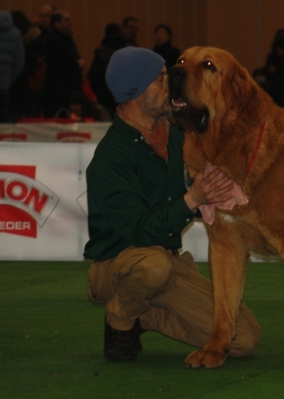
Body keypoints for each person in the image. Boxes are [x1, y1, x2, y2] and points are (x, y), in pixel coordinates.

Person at [84, 47, 261, 362]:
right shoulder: (110, 158)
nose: (172, 84)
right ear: (137, 92)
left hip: (167, 264)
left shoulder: (178, 134)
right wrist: (193, 199)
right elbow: (140, 231)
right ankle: (120, 318)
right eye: (162, 78)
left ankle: (144, 314)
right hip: (117, 267)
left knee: (243, 339)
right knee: (153, 265)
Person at [42, 10, 84, 117]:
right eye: (67, 20)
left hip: (67, 91)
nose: (70, 23)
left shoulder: (66, 39)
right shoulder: (54, 41)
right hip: (59, 93)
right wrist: (77, 64)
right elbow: (58, 65)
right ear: (57, 24)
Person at [89, 23, 127, 118]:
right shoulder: (126, 51)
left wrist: (100, 92)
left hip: (105, 97)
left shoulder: (100, 52)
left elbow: (93, 76)